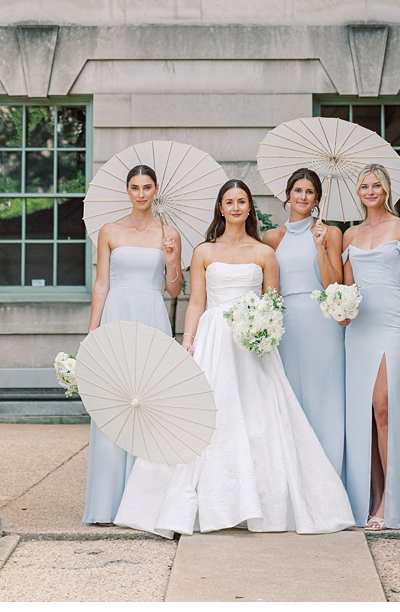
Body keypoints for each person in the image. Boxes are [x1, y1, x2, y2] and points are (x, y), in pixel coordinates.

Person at [114, 180, 353, 537]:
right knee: (207, 416)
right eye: (230, 202)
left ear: (249, 208)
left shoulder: (264, 253)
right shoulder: (204, 251)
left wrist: (264, 330)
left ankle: (261, 504)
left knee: (260, 419)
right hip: (212, 339)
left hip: (251, 346)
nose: (236, 207)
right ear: (221, 208)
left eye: (242, 201)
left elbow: (274, 303)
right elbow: (196, 301)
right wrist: (188, 339)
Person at [82, 164, 181, 524]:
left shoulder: (169, 232)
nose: (141, 193)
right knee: (114, 404)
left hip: (153, 316)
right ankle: (107, 504)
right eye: (135, 187)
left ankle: (146, 505)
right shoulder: (109, 231)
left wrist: (171, 260)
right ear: (128, 191)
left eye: (147, 187)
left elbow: (174, 289)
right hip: (116, 315)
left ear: (156, 190)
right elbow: (101, 284)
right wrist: (93, 331)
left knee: (150, 404)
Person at [342, 165, 400, 530]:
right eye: (364, 186)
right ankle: (370, 499)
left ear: (387, 189)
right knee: (364, 414)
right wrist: (342, 311)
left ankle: (388, 504)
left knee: (384, 407)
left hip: (393, 327)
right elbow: (348, 289)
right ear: (358, 192)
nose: (370, 191)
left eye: (376, 185)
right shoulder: (349, 233)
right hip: (359, 330)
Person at [261, 168, 348, 492]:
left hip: (321, 322)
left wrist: (321, 247)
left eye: (310, 192)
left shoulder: (331, 232)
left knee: (324, 398)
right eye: (298, 190)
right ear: (288, 195)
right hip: (286, 325)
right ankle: (292, 488)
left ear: (317, 199)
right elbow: (268, 287)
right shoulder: (272, 237)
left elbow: (334, 284)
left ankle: (329, 488)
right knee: (290, 399)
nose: (303, 197)